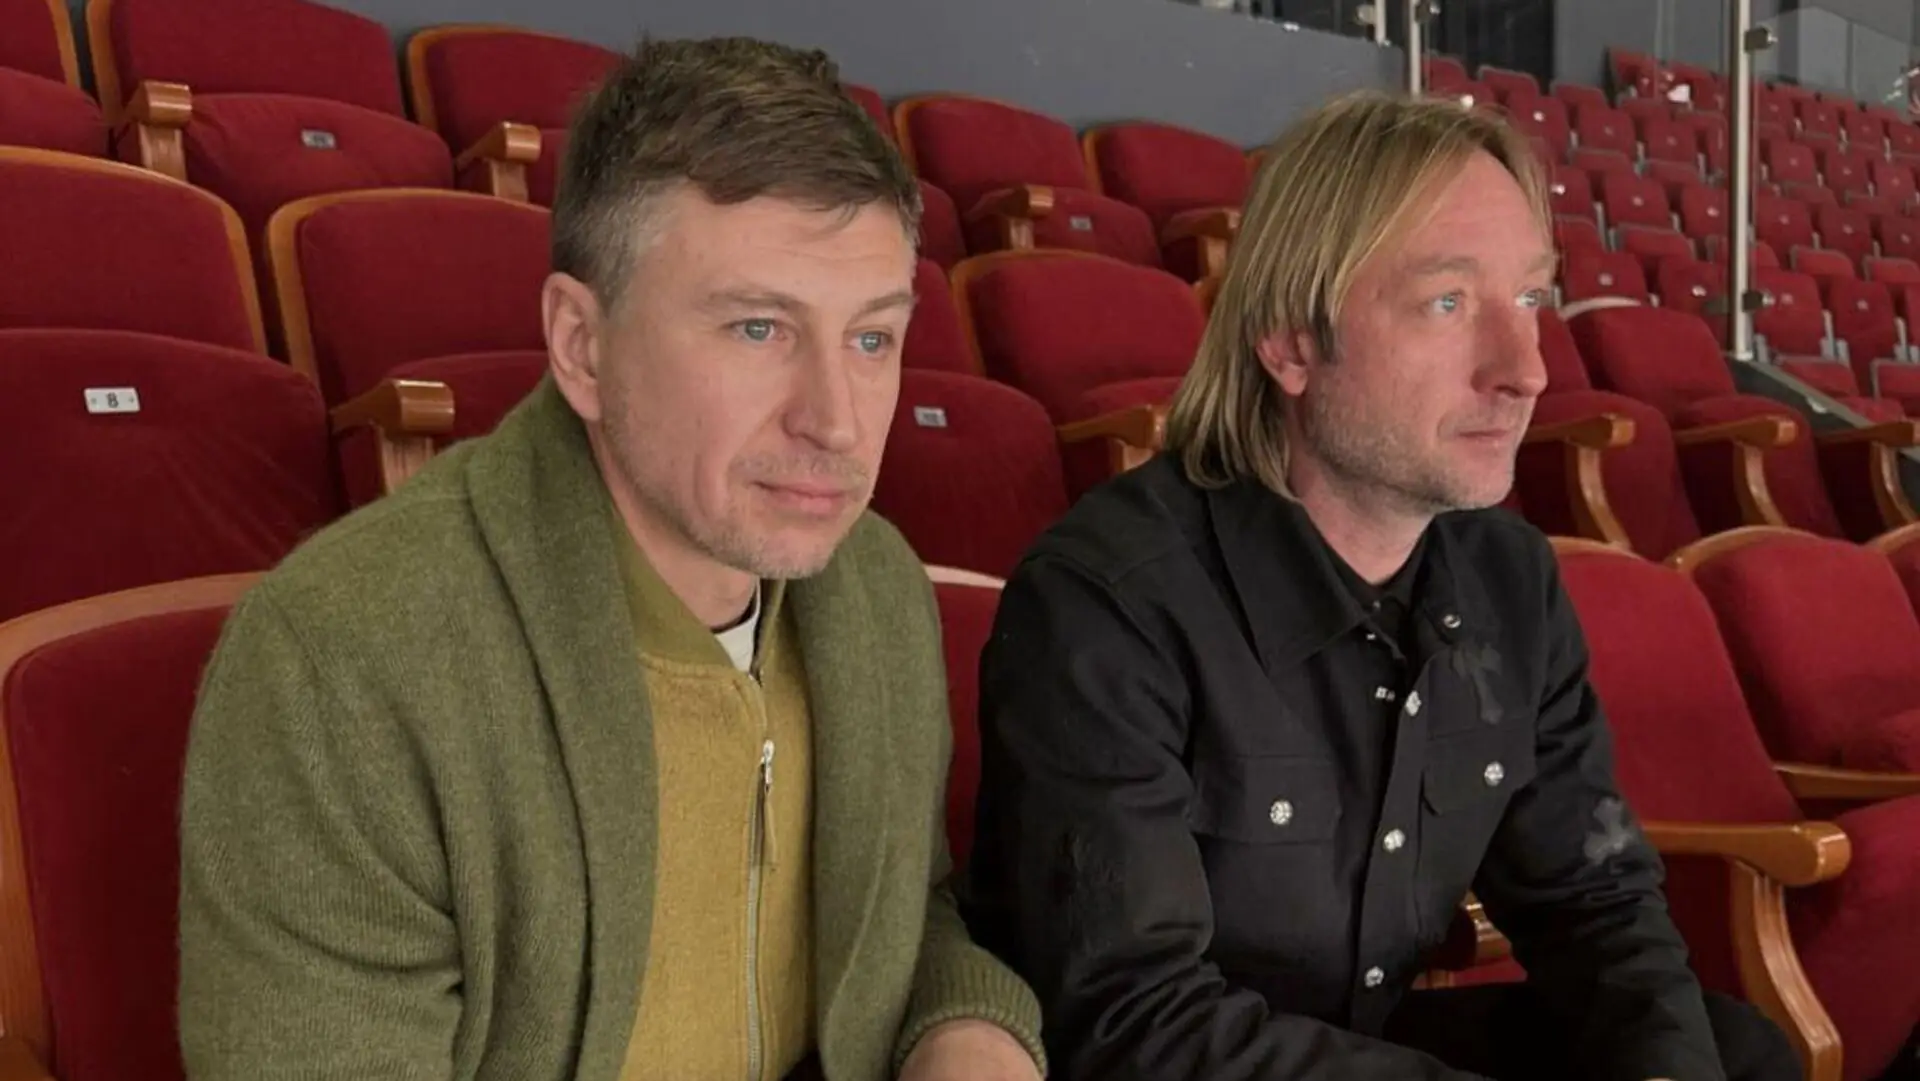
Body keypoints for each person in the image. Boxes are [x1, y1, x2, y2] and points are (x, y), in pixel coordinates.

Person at [177, 36, 1044, 1081]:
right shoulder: (342, 662)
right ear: (582, 345)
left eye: (871, 339)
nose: (837, 420)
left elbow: (904, 917)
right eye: (759, 328)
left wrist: (969, 1034)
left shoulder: (878, 585)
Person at [961, 91, 1798, 1081]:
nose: (1526, 369)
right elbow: (1138, 1021)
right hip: (1173, 1063)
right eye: (1449, 302)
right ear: (1291, 341)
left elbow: (1594, 898)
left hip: (1353, 1045)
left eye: (1531, 299)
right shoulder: (1106, 600)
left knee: (1727, 1052)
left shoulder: (1513, 578)